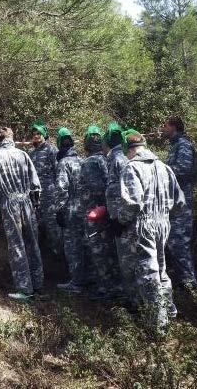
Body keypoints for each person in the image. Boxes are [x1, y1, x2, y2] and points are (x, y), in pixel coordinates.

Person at [115, 130, 185, 331]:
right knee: (162, 270)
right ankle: (169, 312)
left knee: (149, 273)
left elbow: (133, 203)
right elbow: (180, 202)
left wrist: (121, 220)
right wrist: (165, 216)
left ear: (128, 149)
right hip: (163, 223)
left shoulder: (132, 168)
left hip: (143, 224)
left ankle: (157, 325)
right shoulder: (164, 167)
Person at [0, 127, 44, 302]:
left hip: (9, 204)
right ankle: (38, 285)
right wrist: (35, 206)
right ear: (12, 138)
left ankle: (25, 289)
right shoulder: (23, 155)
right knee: (33, 244)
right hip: (27, 202)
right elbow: (35, 184)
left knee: (17, 245)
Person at [79, 126, 121, 300]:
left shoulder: (90, 162)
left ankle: (106, 289)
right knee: (110, 249)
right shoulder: (108, 159)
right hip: (109, 212)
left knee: (98, 250)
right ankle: (115, 287)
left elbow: (96, 189)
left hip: (96, 213)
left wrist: (98, 207)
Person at [163, 117, 197, 287]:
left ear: (174, 127)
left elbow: (183, 169)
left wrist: (162, 171)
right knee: (174, 241)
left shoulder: (183, 145)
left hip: (183, 202)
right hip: (176, 202)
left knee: (179, 240)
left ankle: (189, 282)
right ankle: (183, 280)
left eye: (165, 125)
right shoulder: (176, 145)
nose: (163, 128)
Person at [104, 122, 135, 304]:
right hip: (117, 216)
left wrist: (120, 218)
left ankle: (132, 299)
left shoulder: (119, 159)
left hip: (123, 219)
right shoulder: (115, 157)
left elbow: (129, 191)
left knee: (127, 258)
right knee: (122, 256)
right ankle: (127, 293)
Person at [52, 127, 84, 293]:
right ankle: (86, 279)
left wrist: (59, 210)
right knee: (83, 244)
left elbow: (61, 189)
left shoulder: (64, 163)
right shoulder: (82, 160)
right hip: (84, 209)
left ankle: (76, 283)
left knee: (72, 246)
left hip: (71, 209)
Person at [28, 121, 61, 255]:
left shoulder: (52, 150)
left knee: (52, 224)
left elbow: (58, 171)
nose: (36, 136)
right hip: (35, 195)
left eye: (39, 133)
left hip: (50, 193)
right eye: (34, 134)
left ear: (44, 135)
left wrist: (57, 192)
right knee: (38, 223)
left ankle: (58, 253)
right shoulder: (32, 153)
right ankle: (45, 255)